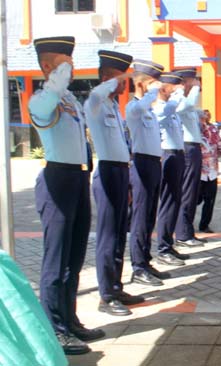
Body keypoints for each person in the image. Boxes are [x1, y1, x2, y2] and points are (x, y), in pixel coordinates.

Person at [29, 36, 103, 355]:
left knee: (74, 258)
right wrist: (58, 78)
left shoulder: (70, 100)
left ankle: (70, 320)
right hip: (56, 179)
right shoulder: (41, 100)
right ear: (46, 66)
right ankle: (54, 329)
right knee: (56, 262)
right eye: (63, 63)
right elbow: (48, 101)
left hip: (78, 178)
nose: (70, 68)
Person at [85, 50, 145, 317]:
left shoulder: (113, 107)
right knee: (108, 237)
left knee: (120, 234)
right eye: (122, 79)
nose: (126, 85)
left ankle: (116, 286)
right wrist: (114, 79)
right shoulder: (96, 103)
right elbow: (96, 94)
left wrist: (130, 182)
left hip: (122, 172)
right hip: (107, 173)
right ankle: (106, 296)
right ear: (108, 77)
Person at [127, 59, 171, 287]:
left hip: (154, 163)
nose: (159, 88)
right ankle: (137, 266)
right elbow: (139, 107)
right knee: (140, 218)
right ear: (142, 84)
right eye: (154, 83)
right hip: (141, 164)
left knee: (150, 216)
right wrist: (150, 94)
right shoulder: (134, 108)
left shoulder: (149, 110)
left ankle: (145, 260)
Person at [154, 72, 191, 266]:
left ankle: (168, 243)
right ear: (163, 87)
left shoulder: (172, 110)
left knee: (175, 201)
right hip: (166, 155)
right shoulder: (160, 108)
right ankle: (162, 248)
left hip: (177, 155)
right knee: (168, 202)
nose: (178, 89)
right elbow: (166, 111)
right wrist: (178, 94)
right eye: (174, 86)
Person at [173, 67, 206, 248]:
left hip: (193, 148)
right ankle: (183, 234)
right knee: (186, 192)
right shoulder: (178, 99)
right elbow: (187, 105)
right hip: (186, 148)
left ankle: (188, 231)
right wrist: (194, 89)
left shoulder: (187, 100)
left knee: (192, 192)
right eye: (192, 80)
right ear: (183, 82)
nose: (196, 83)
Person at [197, 109, 221, 233]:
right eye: (202, 117)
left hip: (212, 172)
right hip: (198, 173)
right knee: (194, 200)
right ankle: (185, 224)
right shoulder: (194, 132)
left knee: (210, 201)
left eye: (205, 117)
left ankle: (204, 225)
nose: (204, 119)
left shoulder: (213, 130)